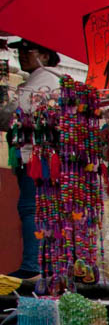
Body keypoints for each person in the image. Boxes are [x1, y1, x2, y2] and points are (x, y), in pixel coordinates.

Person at [0, 39, 65, 279]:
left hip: (39, 157)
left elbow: (16, 116)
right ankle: (42, 264)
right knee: (37, 208)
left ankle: (33, 265)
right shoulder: (41, 80)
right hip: (35, 156)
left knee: (31, 208)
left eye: (28, 50)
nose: (22, 55)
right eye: (20, 51)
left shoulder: (45, 80)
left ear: (46, 55)